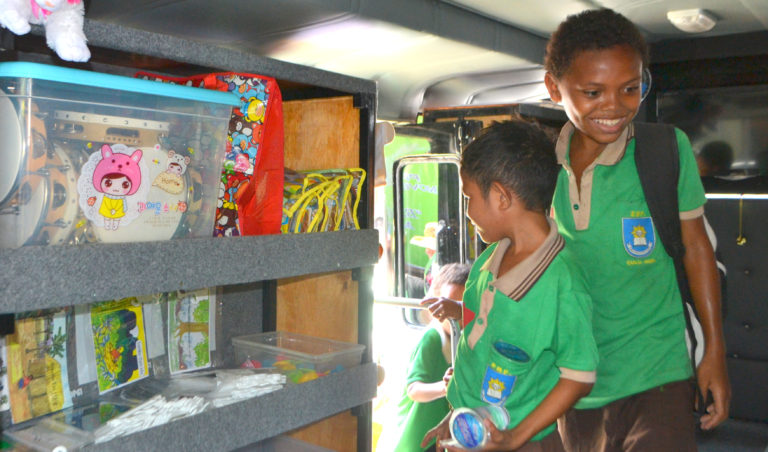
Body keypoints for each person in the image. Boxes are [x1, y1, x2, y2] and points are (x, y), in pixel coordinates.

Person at [542, 8, 731, 451]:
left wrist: (714, 353)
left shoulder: (665, 150)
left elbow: (696, 248)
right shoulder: (538, 167)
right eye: (593, 92)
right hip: (573, 381)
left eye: (630, 88)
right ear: (554, 88)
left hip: (659, 375)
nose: (615, 106)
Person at [422, 120, 598, 451]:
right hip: (472, 432)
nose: (468, 210)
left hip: (522, 441)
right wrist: (459, 413)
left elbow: (579, 376)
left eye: (469, 197)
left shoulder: (563, 281)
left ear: (501, 197)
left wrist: (516, 437)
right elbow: (486, 333)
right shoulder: (488, 261)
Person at [390, 262, 471, 452]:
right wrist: (446, 388)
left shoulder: (465, 341)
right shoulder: (432, 338)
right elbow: (414, 389)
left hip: (436, 437)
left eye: (458, 311)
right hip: (413, 439)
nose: (452, 319)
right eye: (446, 308)